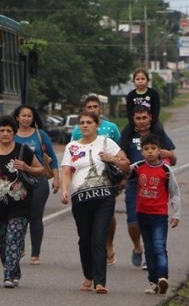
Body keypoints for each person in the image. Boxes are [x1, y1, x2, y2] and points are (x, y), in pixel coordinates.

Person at [60, 111, 130, 294]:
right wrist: (64, 190)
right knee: (85, 239)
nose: (85, 125)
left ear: (96, 125)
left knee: (99, 237)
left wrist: (112, 159)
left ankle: (100, 282)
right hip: (80, 199)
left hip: (104, 197)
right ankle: (88, 276)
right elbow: (67, 171)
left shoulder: (107, 143)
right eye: (81, 123)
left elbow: (126, 165)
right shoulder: (72, 147)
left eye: (89, 122)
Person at [0, 115, 44, 289]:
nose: (5, 134)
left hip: (20, 205)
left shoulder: (23, 151)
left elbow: (41, 169)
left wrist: (26, 167)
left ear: (14, 133)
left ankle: (8, 275)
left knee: (13, 239)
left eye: (9, 131)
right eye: (2, 130)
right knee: (3, 242)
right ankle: (14, 272)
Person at [120, 105, 177, 270]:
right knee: (133, 223)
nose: (141, 121)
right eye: (138, 118)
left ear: (150, 117)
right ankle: (137, 246)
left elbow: (173, 160)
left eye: (144, 118)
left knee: (151, 221)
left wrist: (170, 155)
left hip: (155, 185)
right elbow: (122, 157)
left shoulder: (158, 134)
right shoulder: (128, 134)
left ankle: (149, 255)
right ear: (133, 119)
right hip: (134, 183)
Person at [128, 133, 181, 295]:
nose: (150, 152)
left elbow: (175, 192)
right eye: (146, 149)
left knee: (159, 246)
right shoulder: (137, 168)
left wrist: (176, 213)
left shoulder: (165, 170)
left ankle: (163, 277)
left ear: (159, 151)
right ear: (142, 151)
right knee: (149, 250)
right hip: (142, 215)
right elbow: (122, 174)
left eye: (153, 148)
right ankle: (153, 282)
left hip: (159, 216)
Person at [71, 95, 121, 265]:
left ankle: (108, 244)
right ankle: (94, 245)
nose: (92, 109)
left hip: (107, 175)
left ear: (100, 108)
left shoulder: (111, 128)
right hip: (84, 178)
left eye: (95, 106)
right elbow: (72, 156)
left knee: (107, 213)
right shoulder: (78, 130)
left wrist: (121, 175)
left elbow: (120, 152)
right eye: (89, 107)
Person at [13, 105, 60, 265]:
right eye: (23, 115)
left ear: (33, 118)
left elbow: (52, 158)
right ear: (17, 117)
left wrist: (56, 179)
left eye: (29, 116)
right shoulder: (11, 135)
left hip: (38, 180)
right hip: (17, 182)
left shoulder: (40, 135)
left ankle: (35, 254)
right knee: (18, 216)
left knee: (35, 216)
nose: (26, 118)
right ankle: (20, 247)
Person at [122, 68, 165, 141]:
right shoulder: (131, 95)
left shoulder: (153, 93)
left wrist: (151, 123)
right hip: (136, 121)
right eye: (137, 79)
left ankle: (162, 148)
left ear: (147, 80)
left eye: (143, 79)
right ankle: (123, 150)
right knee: (125, 132)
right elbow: (129, 112)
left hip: (151, 121)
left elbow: (156, 109)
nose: (140, 81)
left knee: (159, 130)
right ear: (134, 81)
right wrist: (133, 124)